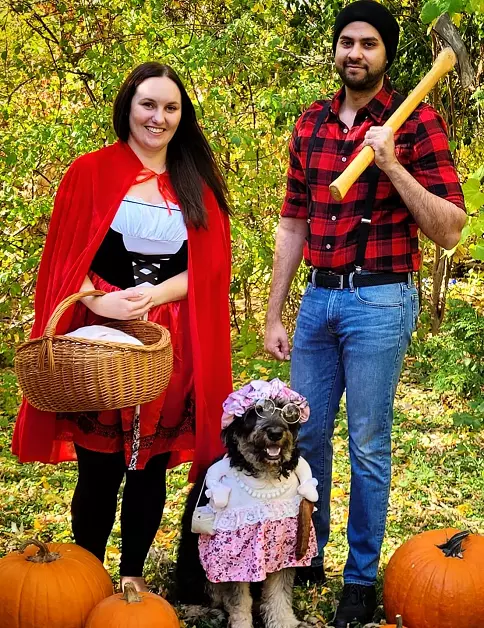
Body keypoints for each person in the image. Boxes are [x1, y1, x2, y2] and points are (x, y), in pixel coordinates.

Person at [264, 2, 466, 625]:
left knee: (370, 444)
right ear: (336, 50)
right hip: (318, 299)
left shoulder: (419, 121)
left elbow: (451, 229)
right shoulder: (311, 125)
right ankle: (307, 553)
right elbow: (293, 222)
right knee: (307, 437)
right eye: (346, 42)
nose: (355, 52)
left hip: (382, 297)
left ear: (387, 54)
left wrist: (393, 164)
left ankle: (360, 577)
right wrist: (276, 312)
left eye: (369, 43)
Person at [12, 62, 233, 592]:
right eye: (148, 105)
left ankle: (132, 576)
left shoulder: (195, 182)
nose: (158, 118)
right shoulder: (89, 172)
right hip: (100, 335)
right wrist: (103, 302)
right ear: (128, 107)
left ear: (183, 116)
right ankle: (86, 577)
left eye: (171, 108)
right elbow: (66, 255)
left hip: (169, 339)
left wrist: (154, 296)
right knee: (98, 467)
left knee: (148, 466)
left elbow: (210, 268)